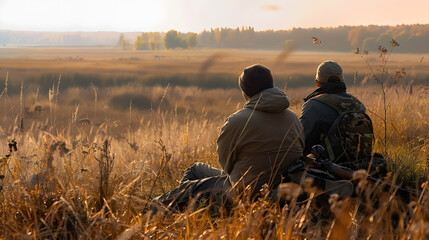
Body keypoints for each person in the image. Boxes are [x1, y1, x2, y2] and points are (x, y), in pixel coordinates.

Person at [153, 64, 304, 211]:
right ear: (271, 86)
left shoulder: (238, 121)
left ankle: (159, 208)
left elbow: (226, 165)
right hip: (281, 193)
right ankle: (198, 209)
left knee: (194, 179)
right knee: (198, 174)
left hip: (244, 194)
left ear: (245, 93)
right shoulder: (293, 118)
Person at [300, 60, 378, 171]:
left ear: (317, 83)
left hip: (324, 166)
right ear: (342, 80)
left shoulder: (312, 105)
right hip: (360, 164)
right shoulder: (358, 105)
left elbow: (300, 139)